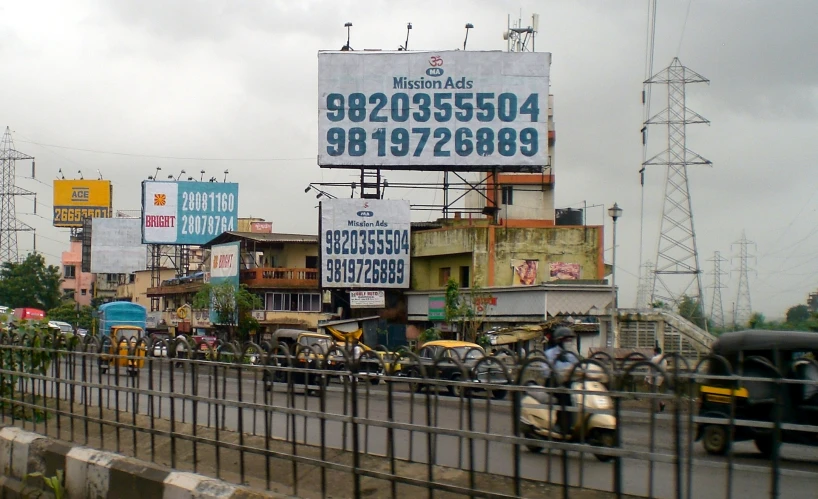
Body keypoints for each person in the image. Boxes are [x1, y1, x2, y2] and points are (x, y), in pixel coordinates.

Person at [545, 327, 580, 434]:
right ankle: (560, 424)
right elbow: (545, 372)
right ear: (559, 341)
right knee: (565, 396)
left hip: (572, 383)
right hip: (553, 384)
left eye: (570, 340)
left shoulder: (572, 354)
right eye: (566, 340)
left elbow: (578, 366)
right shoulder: (550, 354)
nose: (569, 342)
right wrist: (560, 372)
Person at [646, 346, 667, 412]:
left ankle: (657, 407)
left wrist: (646, 377)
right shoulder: (664, 359)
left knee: (654, 392)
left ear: (655, 352)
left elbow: (650, 369)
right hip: (661, 377)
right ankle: (661, 403)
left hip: (654, 377)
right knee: (656, 391)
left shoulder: (654, 359)